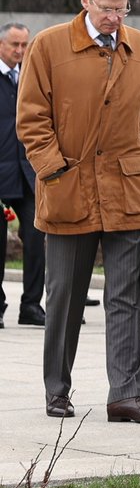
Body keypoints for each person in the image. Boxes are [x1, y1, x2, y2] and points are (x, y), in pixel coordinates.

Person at [16, 0, 140, 423]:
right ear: (86, 0)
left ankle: (126, 394)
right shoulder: (47, 47)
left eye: (122, 10)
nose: (115, 19)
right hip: (69, 189)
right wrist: (52, 170)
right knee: (63, 295)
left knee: (126, 297)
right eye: (107, 9)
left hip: (128, 190)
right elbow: (31, 119)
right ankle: (57, 390)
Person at [0, 21, 48, 327]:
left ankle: (31, 305)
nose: (20, 50)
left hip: (27, 173)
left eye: (24, 45)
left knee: (36, 235)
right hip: (2, 172)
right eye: (14, 45)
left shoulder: (31, 78)